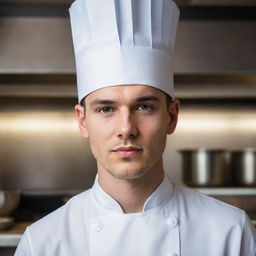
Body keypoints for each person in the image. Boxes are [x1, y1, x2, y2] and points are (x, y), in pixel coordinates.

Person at [15, 0, 256, 255]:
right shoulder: (42, 242)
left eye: (144, 107)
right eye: (106, 109)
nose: (126, 128)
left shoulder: (230, 232)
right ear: (83, 121)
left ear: (172, 117)